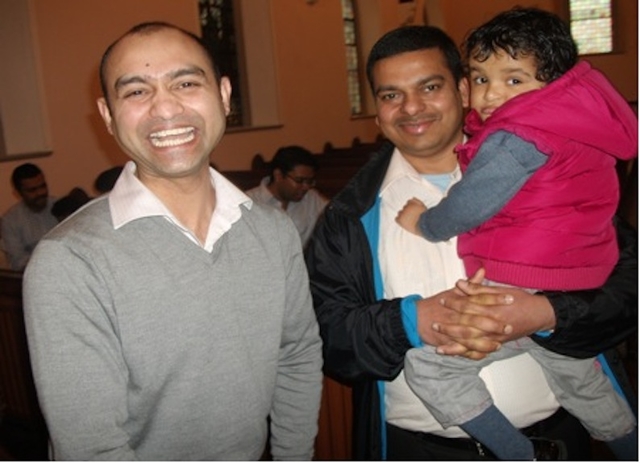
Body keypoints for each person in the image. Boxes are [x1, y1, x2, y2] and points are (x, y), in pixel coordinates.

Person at [304, 24, 638, 461]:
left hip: (561, 440)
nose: (411, 107)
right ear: (377, 111)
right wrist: (412, 321)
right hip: (420, 450)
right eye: (390, 95)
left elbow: (628, 286)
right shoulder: (348, 217)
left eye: (429, 86)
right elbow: (329, 339)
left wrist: (545, 313)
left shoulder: (554, 173)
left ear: (463, 90)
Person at [22, 22, 323, 460]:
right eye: (137, 92)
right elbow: (92, 449)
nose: (165, 108)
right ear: (108, 115)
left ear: (223, 94)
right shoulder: (69, 260)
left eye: (185, 82)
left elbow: (296, 354)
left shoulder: (272, 231)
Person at [246, 145, 328, 246]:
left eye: (309, 181)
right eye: (299, 181)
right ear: (278, 175)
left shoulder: (311, 199)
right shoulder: (249, 202)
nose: (306, 187)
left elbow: (337, 217)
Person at [1, 163, 58, 271]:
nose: (40, 193)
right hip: (35, 274)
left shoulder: (60, 207)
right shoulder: (10, 221)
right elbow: (17, 261)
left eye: (43, 186)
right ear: (18, 193)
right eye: (32, 190)